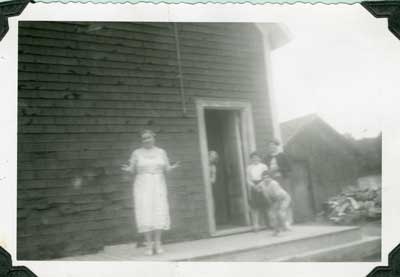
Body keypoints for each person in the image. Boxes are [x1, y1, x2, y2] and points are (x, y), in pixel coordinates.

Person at [121, 129, 180, 256]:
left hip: (158, 183)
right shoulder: (136, 153)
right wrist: (127, 170)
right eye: (143, 138)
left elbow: (167, 169)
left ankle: (158, 243)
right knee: (145, 211)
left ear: (154, 138)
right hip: (142, 184)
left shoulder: (161, 152)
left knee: (159, 210)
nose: (146, 140)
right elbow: (132, 169)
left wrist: (173, 168)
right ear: (141, 141)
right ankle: (148, 244)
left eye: (148, 137)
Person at [264, 138, 293, 227]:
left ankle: (288, 221)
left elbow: (289, 168)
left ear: (277, 147)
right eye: (270, 146)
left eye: (273, 146)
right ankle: (277, 222)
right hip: (271, 181)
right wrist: (268, 172)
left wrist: (278, 168)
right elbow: (264, 170)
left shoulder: (282, 156)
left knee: (285, 198)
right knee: (274, 200)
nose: (272, 148)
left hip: (282, 179)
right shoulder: (266, 157)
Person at [258, 170, 292, 236]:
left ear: (271, 178)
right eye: (264, 178)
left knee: (280, 213)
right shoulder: (262, 184)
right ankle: (277, 231)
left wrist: (276, 207)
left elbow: (278, 197)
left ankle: (286, 224)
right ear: (262, 178)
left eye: (268, 177)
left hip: (284, 198)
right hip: (274, 200)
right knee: (272, 215)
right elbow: (259, 189)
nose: (266, 179)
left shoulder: (274, 184)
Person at [246, 151, 269, 232]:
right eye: (253, 158)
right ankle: (256, 225)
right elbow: (248, 179)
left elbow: (266, 176)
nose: (255, 159)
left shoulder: (264, 166)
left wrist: (260, 185)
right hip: (254, 186)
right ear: (251, 159)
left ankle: (269, 223)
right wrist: (253, 186)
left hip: (263, 184)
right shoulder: (249, 168)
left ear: (259, 158)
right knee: (255, 206)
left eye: (257, 157)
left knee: (266, 204)